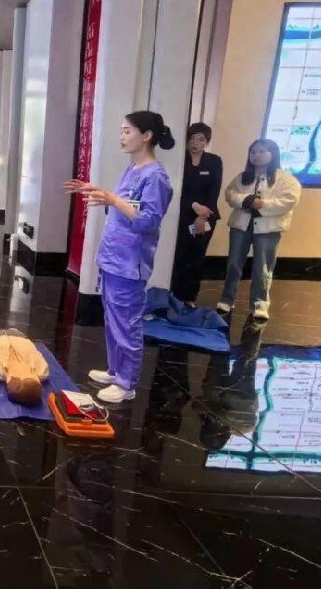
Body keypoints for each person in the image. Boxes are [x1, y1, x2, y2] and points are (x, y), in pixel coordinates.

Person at [65, 110, 175, 404]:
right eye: (122, 130)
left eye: (128, 131)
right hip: (113, 257)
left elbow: (148, 220)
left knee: (127, 322)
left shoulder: (156, 177)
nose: (122, 137)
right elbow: (124, 206)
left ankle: (127, 383)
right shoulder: (132, 170)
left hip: (130, 263)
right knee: (113, 318)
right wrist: (100, 193)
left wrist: (112, 199)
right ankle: (116, 371)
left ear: (146, 135)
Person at [217, 139, 301, 321]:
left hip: (268, 229)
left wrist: (262, 204)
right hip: (241, 225)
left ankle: (260, 303)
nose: (256, 155)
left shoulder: (286, 179)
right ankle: (227, 299)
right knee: (233, 263)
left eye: (262, 151)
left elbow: (289, 200)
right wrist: (246, 200)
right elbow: (230, 193)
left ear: (273, 154)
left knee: (262, 266)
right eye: (253, 152)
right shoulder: (243, 177)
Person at [170, 123, 223, 306]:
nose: (195, 143)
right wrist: (193, 206)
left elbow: (214, 191)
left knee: (197, 257)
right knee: (179, 256)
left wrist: (202, 216)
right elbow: (176, 190)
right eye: (192, 139)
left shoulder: (214, 161)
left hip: (206, 216)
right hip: (181, 215)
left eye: (201, 139)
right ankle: (174, 294)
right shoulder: (179, 160)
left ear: (206, 141)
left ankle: (190, 296)